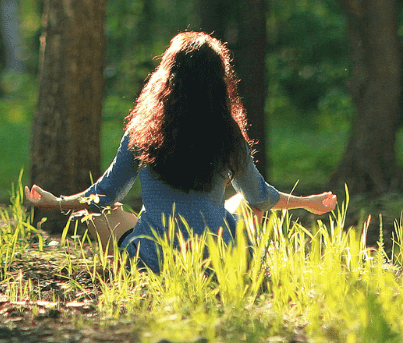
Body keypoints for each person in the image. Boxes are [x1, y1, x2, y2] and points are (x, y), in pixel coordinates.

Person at [25, 31, 337, 273]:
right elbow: (261, 198)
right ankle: (242, 269)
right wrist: (306, 203)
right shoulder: (228, 134)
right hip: (219, 259)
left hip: (157, 259)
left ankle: (127, 275)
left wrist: (58, 202)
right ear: (219, 81)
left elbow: (104, 195)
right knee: (245, 201)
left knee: (101, 215)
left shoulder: (143, 130)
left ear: (168, 79)